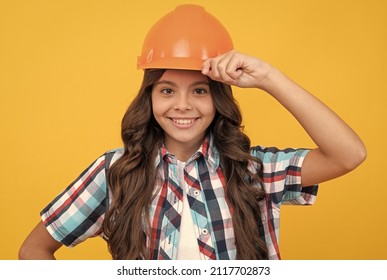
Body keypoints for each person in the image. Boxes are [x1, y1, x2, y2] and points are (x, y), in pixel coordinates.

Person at [18, 4, 366, 260]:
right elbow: (34, 249)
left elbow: (349, 154)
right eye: (167, 90)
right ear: (150, 98)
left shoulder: (253, 170)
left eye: (199, 90)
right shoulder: (116, 171)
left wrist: (269, 78)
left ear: (217, 99)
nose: (182, 105)